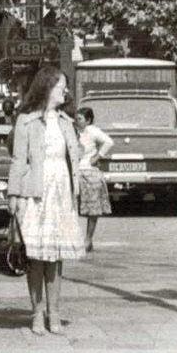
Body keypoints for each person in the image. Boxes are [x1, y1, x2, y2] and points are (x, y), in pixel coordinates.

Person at [7, 65, 84, 336]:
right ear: (48, 87)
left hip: (62, 192)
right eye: (61, 85)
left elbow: (75, 156)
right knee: (37, 257)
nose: (65, 90)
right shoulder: (26, 122)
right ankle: (37, 314)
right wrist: (14, 195)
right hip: (36, 194)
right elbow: (18, 160)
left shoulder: (66, 121)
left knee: (56, 257)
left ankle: (55, 313)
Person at [74, 106, 113, 253]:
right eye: (76, 119)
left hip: (88, 171)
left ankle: (88, 239)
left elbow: (109, 142)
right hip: (76, 172)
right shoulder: (74, 131)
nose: (77, 121)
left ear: (88, 120)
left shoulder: (93, 131)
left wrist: (97, 157)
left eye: (80, 119)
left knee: (92, 209)